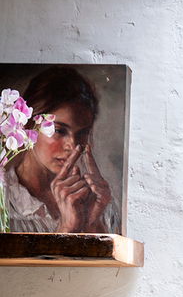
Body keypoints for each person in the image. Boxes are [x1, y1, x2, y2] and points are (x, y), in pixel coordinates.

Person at [2, 66, 116, 233]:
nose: (73, 145)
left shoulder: (98, 200)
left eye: (82, 133)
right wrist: (66, 229)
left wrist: (93, 223)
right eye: (59, 131)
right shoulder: (4, 201)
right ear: (29, 126)